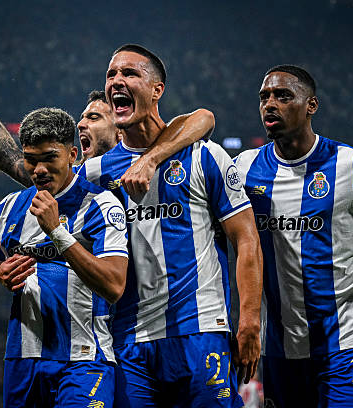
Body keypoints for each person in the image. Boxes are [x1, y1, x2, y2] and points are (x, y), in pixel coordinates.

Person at [75, 43, 262, 407]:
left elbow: (246, 239)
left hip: (200, 329)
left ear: (157, 89)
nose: (116, 81)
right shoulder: (94, 175)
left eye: (129, 73)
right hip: (128, 340)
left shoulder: (204, 155)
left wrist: (250, 320)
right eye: (111, 74)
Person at [233, 65, 353, 408]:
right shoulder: (244, 168)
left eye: (283, 96)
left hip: (346, 341)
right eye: (264, 97)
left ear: (311, 105)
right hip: (280, 347)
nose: (270, 104)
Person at [0, 107, 129, 407]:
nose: (39, 169)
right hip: (22, 360)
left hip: (84, 358)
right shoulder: (9, 208)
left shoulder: (101, 205)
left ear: (72, 155)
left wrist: (56, 231)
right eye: (31, 159)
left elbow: (115, 285)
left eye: (49, 158)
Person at [0, 55, 215, 198]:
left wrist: (149, 160)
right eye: (82, 117)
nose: (80, 124)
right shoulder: (85, 175)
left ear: (120, 127)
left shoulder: (173, 154)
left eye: (93, 117)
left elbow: (203, 118)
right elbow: (10, 159)